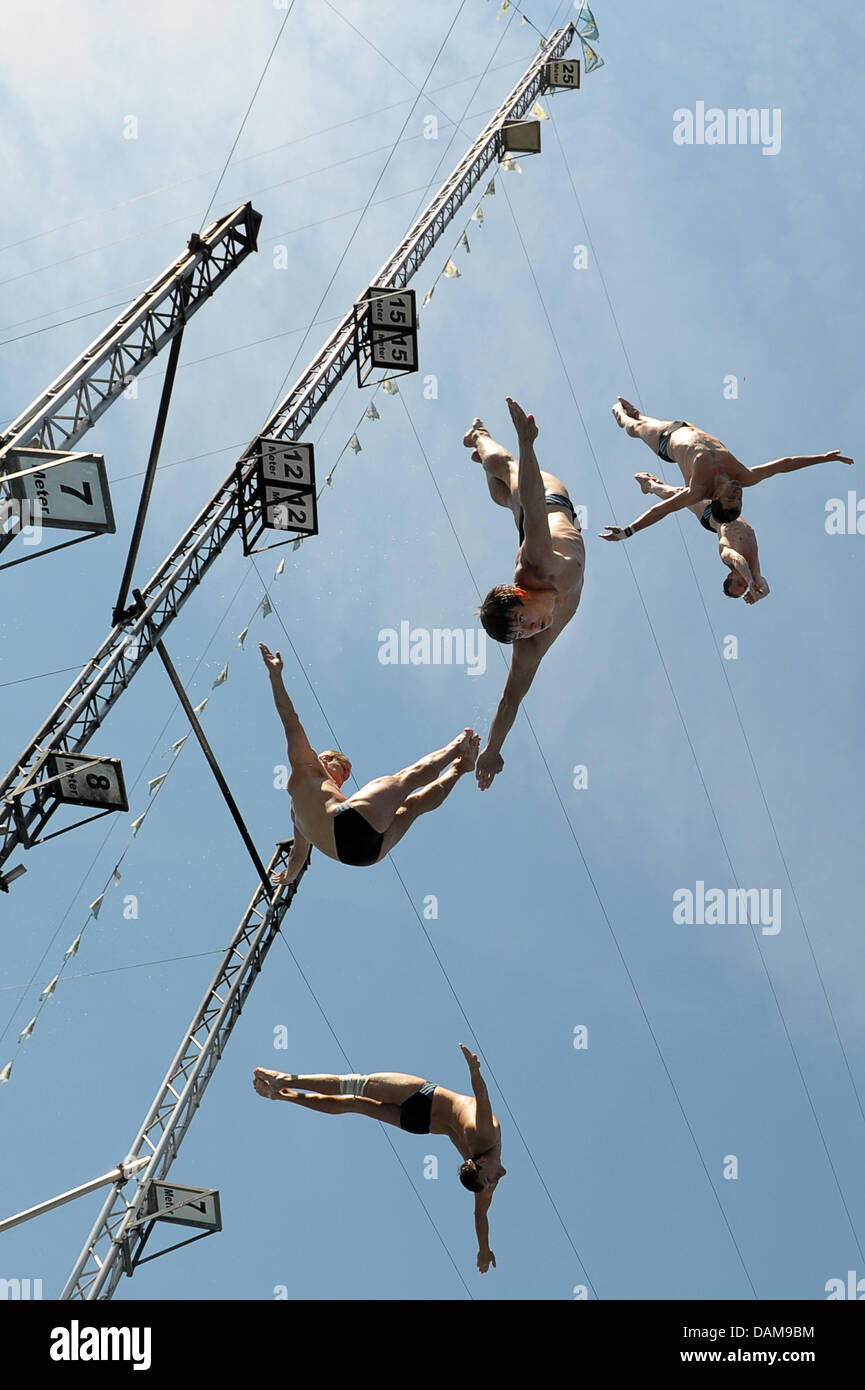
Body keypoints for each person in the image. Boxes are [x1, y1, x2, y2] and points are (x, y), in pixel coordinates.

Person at [254, 1043, 506, 1273]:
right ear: (481, 1163)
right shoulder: (484, 1133)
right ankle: (281, 1089)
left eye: (488, 1183)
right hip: (420, 1118)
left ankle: (282, 1086)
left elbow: (480, 1216)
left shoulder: (481, 1169)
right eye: (490, 1181)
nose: (494, 1184)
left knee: (354, 1088)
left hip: (423, 1105)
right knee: (354, 1100)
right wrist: (474, 1071)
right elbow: (482, 1096)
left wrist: (484, 1248)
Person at [259, 643, 478, 879]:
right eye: (343, 769)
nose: (343, 780)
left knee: (413, 806)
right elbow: (290, 720)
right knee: (405, 779)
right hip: (354, 834)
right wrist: (276, 676)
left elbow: (298, 857)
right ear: (325, 757)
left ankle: (460, 768)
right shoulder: (305, 764)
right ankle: (456, 747)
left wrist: (289, 876)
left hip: (361, 855)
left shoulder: (299, 813)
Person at [464, 397, 585, 790]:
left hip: (548, 499)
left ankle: (480, 436)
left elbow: (533, 509)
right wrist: (493, 749)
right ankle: (484, 458)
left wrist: (527, 443)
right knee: (500, 494)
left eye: (522, 620)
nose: (532, 629)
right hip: (526, 514)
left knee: (508, 472)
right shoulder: (533, 644)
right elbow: (509, 701)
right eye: (522, 633)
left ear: (520, 593)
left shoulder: (535, 567)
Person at [601, 397, 853, 545]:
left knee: (633, 427)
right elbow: (784, 465)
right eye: (740, 497)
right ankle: (638, 414)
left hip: (666, 442)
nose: (737, 492)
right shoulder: (744, 476)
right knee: (643, 418)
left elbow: (662, 510)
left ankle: (618, 413)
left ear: (716, 498)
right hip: (684, 426)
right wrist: (824, 458)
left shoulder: (697, 490)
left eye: (731, 497)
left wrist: (628, 531)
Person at [632, 470, 770, 603]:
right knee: (685, 491)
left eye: (740, 583)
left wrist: (751, 583)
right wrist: (758, 595)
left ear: (731, 575)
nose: (745, 583)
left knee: (678, 495)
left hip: (711, 515)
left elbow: (739, 560)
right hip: (725, 510)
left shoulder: (726, 555)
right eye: (744, 587)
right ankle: (654, 484)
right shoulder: (754, 572)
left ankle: (649, 485)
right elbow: (766, 589)